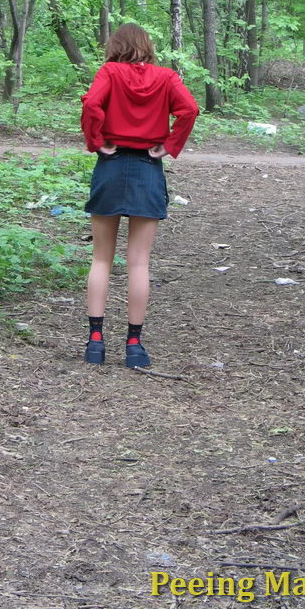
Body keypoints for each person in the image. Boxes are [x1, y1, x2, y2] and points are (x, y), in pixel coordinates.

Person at [80, 23, 199, 368]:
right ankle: (134, 346)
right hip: (148, 169)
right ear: (147, 46)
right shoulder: (166, 77)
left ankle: (95, 343)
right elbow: (189, 109)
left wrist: (97, 141)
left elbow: (91, 106)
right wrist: (169, 145)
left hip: (110, 166)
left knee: (101, 259)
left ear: (115, 46)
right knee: (139, 262)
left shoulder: (110, 72)